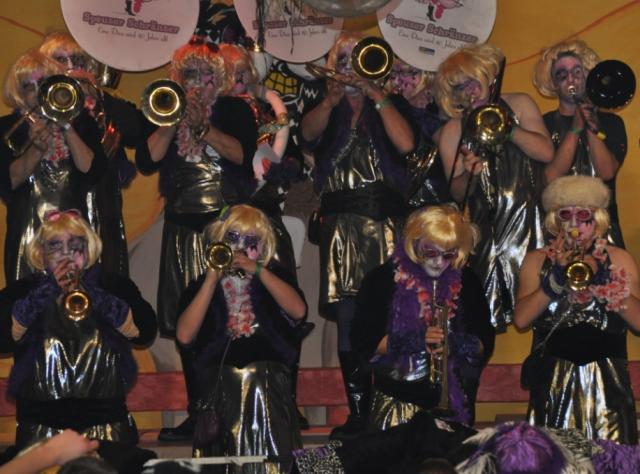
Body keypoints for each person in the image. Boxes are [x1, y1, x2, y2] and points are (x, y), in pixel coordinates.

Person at [135, 38, 258, 441]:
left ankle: (235, 408)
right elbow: (147, 160)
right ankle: (199, 411)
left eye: (206, 74)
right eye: (189, 74)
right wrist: (174, 120)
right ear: (177, 77)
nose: (197, 82)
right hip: (181, 230)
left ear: (218, 78)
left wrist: (203, 126)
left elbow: (242, 156)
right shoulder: (164, 106)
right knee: (187, 327)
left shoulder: (235, 110)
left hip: (223, 230)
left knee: (230, 321)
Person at [299, 31, 415, 438]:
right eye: (344, 60)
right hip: (341, 229)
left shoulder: (392, 103)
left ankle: (391, 407)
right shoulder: (325, 105)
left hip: (385, 226)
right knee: (349, 319)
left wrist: (375, 93)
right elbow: (306, 135)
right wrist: (331, 100)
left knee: (391, 312)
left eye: (358, 59)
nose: (351, 67)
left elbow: (406, 143)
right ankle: (360, 411)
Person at [0, 209, 157, 451]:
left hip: (106, 427)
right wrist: (47, 291)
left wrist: (92, 293)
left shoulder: (114, 285)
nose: (66, 255)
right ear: (40, 253)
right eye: (55, 247)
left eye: (75, 247)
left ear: (89, 249)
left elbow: (144, 332)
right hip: (41, 429)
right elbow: (3, 340)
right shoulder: (22, 290)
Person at [175, 204, 307, 472]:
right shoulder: (200, 285)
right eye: (232, 238)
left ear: (262, 247)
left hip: (267, 388)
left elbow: (298, 311)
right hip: (221, 390)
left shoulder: (274, 278)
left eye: (250, 241)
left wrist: (258, 271)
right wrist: (211, 280)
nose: (240, 248)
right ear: (219, 240)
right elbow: (185, 336)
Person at [434, 43, 554, 331]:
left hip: (530, 223)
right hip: (487, 231)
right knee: (485, 318)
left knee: (542, 305)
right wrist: (470, 173)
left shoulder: (520, 103)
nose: (468, 91)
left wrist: (507, 128)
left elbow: (546, 152)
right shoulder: (453, 130)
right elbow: (457, 193)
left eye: (471, 81)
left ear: (486, 76)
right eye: (459, 87)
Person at [514, 175, 640, 444]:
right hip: (554, 382)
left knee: (611, 459)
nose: (574, 224)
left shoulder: (619, 259)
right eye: (565, 215)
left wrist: (606, 282)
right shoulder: (537, 260)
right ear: (555, 221)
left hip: (608, 384)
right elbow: (522, 319)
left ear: (598, 219)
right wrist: (554, 282)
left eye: (583, 215)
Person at [351, 204, 495, 430]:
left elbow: (484, 340)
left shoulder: (468, 281)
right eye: (431, 253)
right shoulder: (382, 280)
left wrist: (454, 343)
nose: (439, 262)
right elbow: (363, 342)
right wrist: (417, 340)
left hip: (454, 407)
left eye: (448, 254)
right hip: (395, 406)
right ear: (414, 244)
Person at [39, 31, 147, 276]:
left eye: (77, 60)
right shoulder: (39, 104)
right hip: (52, 211)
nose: (70, 67)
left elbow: (136, 131)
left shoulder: (104, 104)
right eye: (61, 60)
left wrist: (97, 94)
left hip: (102, 208)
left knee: (105, 278)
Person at [0, 49, 107, 283]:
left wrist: (66, 126)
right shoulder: (9, 128)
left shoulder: (82, 123)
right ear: (19, 93)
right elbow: (9, 183)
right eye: (28, 87)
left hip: (75, 234)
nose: (37, 92)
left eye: (42, 83)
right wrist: (36, 149)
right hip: (28, 233)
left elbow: (91, 171)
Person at [533, 39, 628, 247]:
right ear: (553, 83)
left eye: (577, 72)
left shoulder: (612, 122)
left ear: (588, 75)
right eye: (562, 75)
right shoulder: (543, 123)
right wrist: (575, 128)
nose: (571, 79)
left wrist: (590, 122)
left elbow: (607, 172)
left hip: (603, 228)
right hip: (559, 229)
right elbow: (549, 178)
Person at [386, 57, 447, 207]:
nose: (398, 81)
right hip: (399, 204)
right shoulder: (390, 107)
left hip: (440, 204)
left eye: (407, 73)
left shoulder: (444, 109)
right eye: (394, 73)